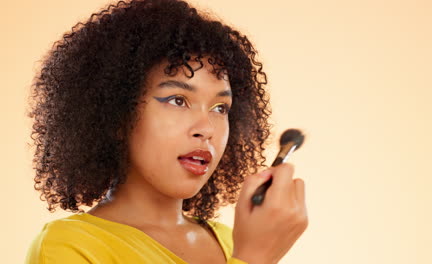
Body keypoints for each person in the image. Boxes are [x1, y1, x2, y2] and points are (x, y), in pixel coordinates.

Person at [25, 0, 308, 263]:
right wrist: (254, 257)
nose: (206, 129)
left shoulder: (231, 240)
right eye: (178, 100)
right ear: (117, 114)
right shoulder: (68, 247)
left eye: (220, 108)